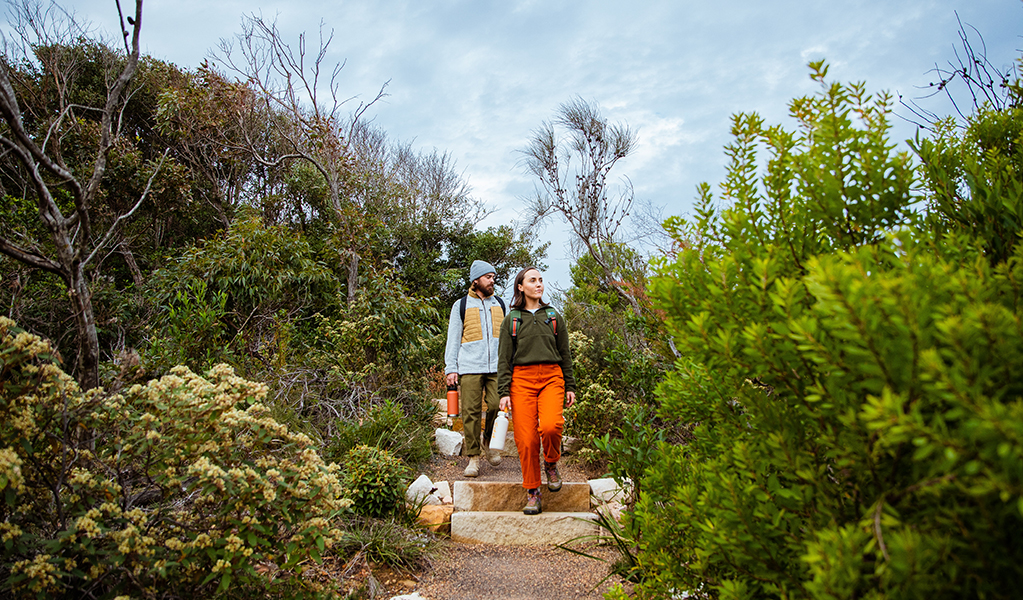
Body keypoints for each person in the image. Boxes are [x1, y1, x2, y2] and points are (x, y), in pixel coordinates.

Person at [498, 267, 576, 515]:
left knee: (552, 425)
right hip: (521, 380)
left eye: (541, 280)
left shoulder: (553, 316)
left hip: (552, 376)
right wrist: (504, 391)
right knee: (527, 439)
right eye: (533, 280)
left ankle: (551, 462)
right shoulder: (512, 319)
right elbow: (504, 359)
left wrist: (570, 385)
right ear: (521, 287)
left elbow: (565, 354)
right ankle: (533, 492)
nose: (538, 284)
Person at [444, 260, 507, 477]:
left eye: (493, 277)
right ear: (476, 280)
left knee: (495, 406)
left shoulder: (500, 303)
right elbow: (453, 339)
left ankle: (488, 441)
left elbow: (508, 339)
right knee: (469, 412)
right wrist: (450, 368)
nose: (492, 281)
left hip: (497, 367)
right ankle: (473, 457)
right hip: (469, 366)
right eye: (488, 277)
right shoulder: (460, 305)